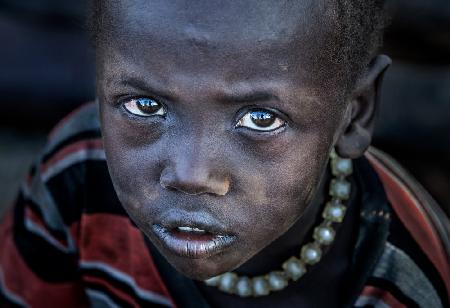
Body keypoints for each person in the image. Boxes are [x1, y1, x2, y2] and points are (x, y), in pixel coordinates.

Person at [0, 0, 449, 307]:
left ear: (355, 114)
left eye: (260, 118)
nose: (192, 174)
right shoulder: (77, 176)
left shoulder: (408, 286)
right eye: (146, 106)